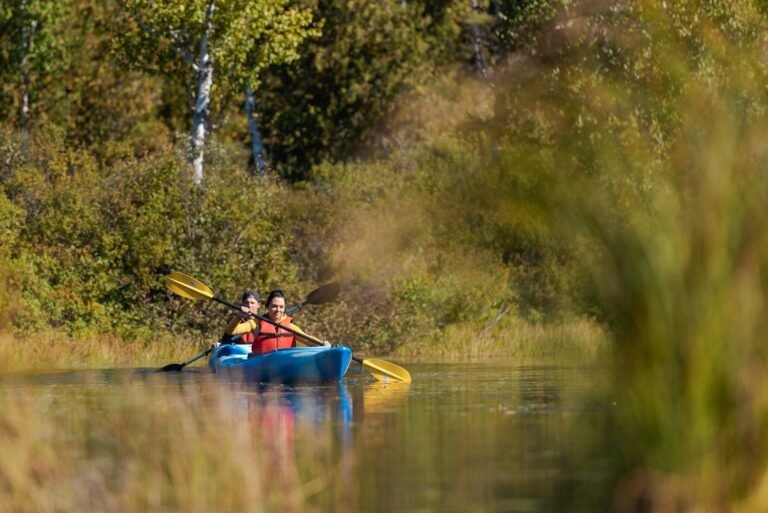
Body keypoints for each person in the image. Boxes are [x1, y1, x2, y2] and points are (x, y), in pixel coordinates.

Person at [227, 288, 329, 355]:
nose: (278, 310)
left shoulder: (289, 326)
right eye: (274, 306)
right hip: (261, 363)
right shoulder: (257, 323)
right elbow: (231, 331)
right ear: (267, 307)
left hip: (284, 363)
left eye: (281, 307)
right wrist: (238, 317)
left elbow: (307, 339)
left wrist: (323, 345)